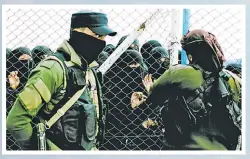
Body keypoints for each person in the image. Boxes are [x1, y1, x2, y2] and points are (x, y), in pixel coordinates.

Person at [7, 10, 117, 151]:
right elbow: (16, 121)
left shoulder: (89, 70)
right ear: (77, 32)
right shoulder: (52, 69)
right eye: (96, 35)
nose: (101, 42)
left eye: (104, 37)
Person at [131, 29, 241, 150]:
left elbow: (155, 97)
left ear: (190, 54)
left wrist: (150, 89)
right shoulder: (233, 79)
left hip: (183, 149)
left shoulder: (178, 73)